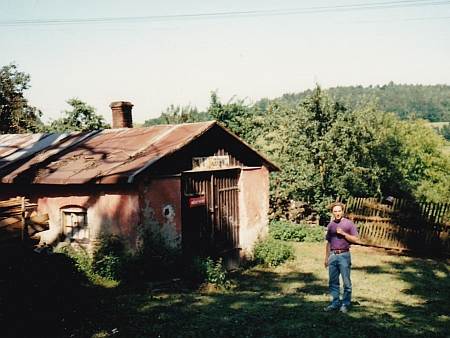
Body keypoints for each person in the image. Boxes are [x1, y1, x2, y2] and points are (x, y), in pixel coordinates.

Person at [323, 202, 359, 313]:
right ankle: (335, 303)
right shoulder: (331, 225)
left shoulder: (349, 224)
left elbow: (356, 239)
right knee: (333, 282)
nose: (337, 213)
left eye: (339, 211)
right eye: (335, 211)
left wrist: (344, 234)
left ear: (342, 211)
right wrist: (326, 258)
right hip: (333, 255)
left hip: (344, 255)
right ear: (332, 213)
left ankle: (345, 305)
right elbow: (329, 242)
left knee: (346, 282)